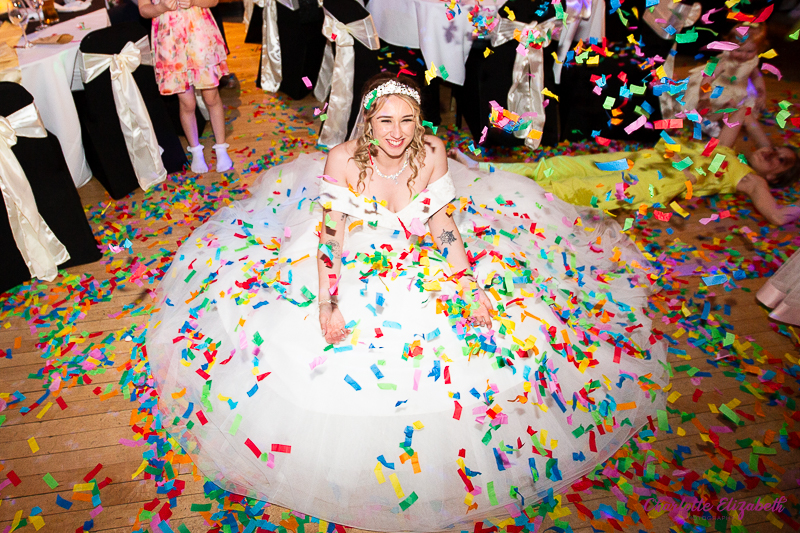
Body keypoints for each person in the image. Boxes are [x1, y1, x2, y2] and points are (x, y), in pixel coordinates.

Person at [145, 73, 667, 531]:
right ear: (366, 120)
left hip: (420, 254)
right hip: (353, 255)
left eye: (408, 120)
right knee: (330, 351)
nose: (396, 133)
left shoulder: (434, 153)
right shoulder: (344, 160)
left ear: (422, 119)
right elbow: (331, 239)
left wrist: (469, 287)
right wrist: (327, 304)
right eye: (385, 120)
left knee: (482, 337)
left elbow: (443, 228)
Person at [454, 107, 800, 226]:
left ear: (776, 176)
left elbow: (778, 215)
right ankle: (483, 169)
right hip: (645, 160)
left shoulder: (752, 179)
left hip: (659, 182)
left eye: (780, 160)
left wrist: (771, 176)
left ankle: (494, 197)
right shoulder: (731, 148)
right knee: (558, 166)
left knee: (573, 189)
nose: (772, 154)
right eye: (775, 150)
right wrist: (766, 144)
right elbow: (746, 116)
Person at [139, 0, 233, 174]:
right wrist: (161, 7)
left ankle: (221, 148)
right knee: (187, 103)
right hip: (170, 42)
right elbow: (144, 10)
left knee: (211, 97)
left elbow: (213, 1)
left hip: (200, 36)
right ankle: (196, 150)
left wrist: (193, 1)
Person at [665, 24, 769, 146]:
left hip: (739, 90)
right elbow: (707, 79)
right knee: (707, 103)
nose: (743, 55)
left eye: (750, 51)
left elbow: (756, 77)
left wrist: (761, 93)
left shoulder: (751, 61)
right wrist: (705, 96)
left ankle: (720, 121)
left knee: (741, 108)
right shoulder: (722, 61)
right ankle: (707, 120)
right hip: (717, 87)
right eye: (738, 50)